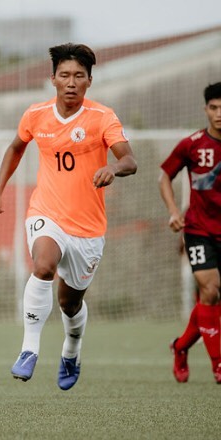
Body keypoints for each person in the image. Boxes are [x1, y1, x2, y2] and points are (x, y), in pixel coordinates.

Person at [0, 43, 137, 391]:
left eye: (79, 76)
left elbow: (130, 159)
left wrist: (114, 169)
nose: (71, 82)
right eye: (64, 75)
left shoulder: (103, 118)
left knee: (70, 303)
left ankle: (72, 348)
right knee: (43, 265)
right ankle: (29, 350)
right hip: (46, 213)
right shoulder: (36, 114)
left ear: (89, 81)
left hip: (88, 228)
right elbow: (16, 147)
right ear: (52, 78)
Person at [159, 82, 221, 384]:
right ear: (205, 109)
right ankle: (218, 365)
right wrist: (173, 212)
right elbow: (164, 178)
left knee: (209, 301)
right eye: (214, 107)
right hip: (198, 230)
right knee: (210, 291)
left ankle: (181, 347)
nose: (220, 114)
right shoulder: (192, 144)